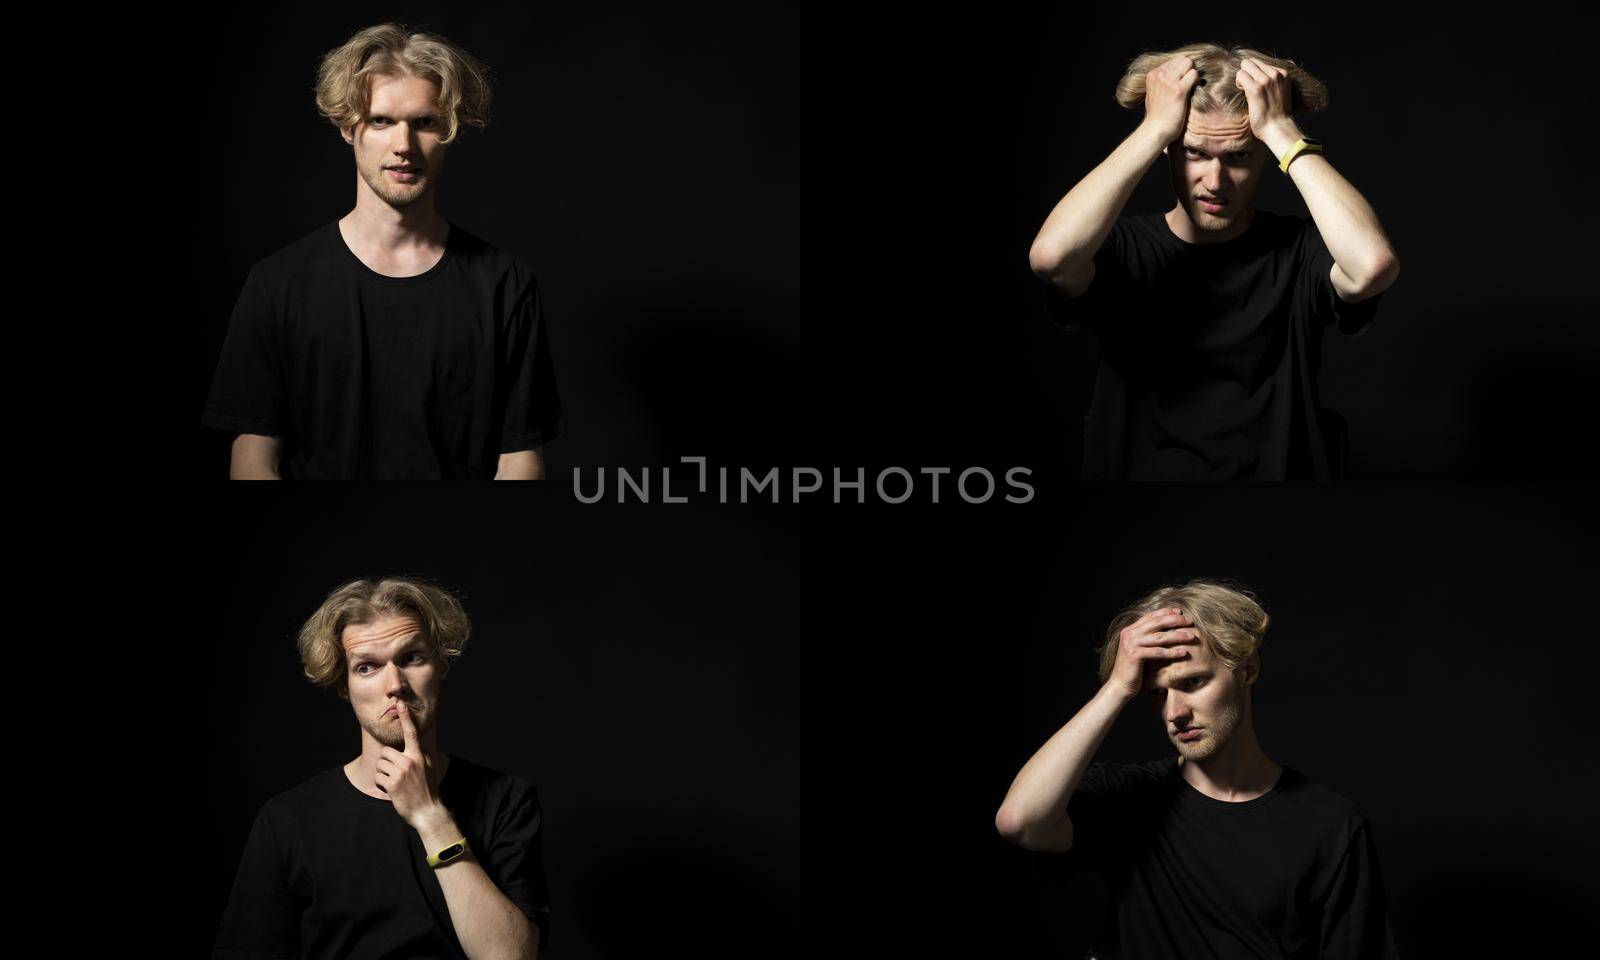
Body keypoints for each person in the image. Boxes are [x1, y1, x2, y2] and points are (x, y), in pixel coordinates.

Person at [201, 23, 564, 479]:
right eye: (381, 120)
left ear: (449, 131)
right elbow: (253, 455)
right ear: (348, 127)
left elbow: (519, 459)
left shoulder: (504, 285)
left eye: (424, 122)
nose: (404, 146)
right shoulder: (277, 285)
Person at [1029, 44, 1400, 479]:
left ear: (1264, 154)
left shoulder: (1298, 250)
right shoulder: (1125, 250)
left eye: (1238, 156)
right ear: (1168, 150)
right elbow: (1051, 258)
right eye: (1194, 153)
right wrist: (1153, 130)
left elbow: (1372, 266)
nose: (1215, 181)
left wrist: (1281, 131)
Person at [994, 580, 1401, 958]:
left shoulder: (1331, 825)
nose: (1174, 713)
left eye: (1192, 683)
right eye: (1156, 693)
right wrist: (1117, 688)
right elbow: (1020, 821)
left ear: (1246, 669)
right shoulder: (1129, 799)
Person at [213, 576, 550, 960]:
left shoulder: (507, 800)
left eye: (411, 658)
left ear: (441, 665)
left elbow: (510, 956)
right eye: (367, 667)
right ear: (343, 685)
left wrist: (430, 817)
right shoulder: (288, 821)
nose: (395, 684)